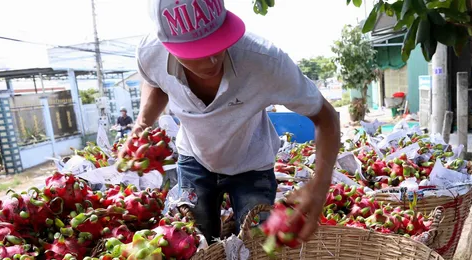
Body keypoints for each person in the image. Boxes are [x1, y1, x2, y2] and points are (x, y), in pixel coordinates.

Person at [122, 0, 340, 243]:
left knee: (256, 247)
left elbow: (326, 117)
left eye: (218, 42)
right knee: (194, 243)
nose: (212, 61)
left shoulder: (265, 62)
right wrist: (141, 125)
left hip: (252, 164)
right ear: (167, 47)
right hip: (194, 159)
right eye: (197, 52)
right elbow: (155, 81)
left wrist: (319, 185)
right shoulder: (150, 52)